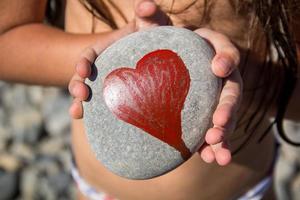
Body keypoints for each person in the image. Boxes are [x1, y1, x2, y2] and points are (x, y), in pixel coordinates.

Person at [0, 0, 299, 199]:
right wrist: (103, 59)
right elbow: (6, 38)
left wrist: (238, 75)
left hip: (238, 191)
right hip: (103, 192)